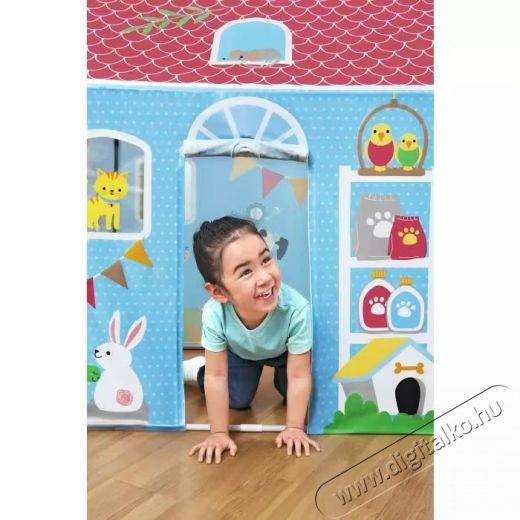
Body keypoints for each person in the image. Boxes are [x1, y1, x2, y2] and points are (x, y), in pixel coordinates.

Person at [184, 216, 320, 464]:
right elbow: (217, 376)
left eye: (266, 260)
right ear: (218, 292)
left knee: (300, 396)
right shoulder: (215, 313)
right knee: (237, 399)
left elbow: (299, 376)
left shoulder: (297, 310)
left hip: (285, 354)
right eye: (246, 272)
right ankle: (194, 369)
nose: (265, 277)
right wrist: (218, 433)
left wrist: (294, 428)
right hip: (241, 351)